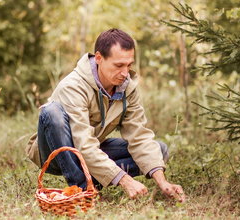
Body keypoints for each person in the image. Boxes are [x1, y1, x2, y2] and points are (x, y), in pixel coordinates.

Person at [26, 28, 185, 202]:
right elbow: (83, 144)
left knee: (158, 151)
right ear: (99, 58)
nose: (125, 73)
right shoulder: (73, 86)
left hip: (89, 148)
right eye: (118, 65)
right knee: (52, 111)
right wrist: (125, 181)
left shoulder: (127, 88)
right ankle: (81, 190)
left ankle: (94, 179)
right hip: (55, 152)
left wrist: (162, 182)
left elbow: (139, 137)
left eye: (129, 65)